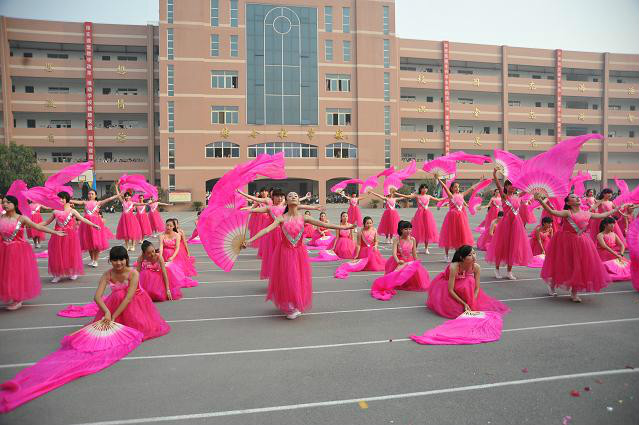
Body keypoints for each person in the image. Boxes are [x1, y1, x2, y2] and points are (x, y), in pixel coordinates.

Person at [243, 192, 354, 319]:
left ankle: (295, 303)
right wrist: (250, 241)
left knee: (298, 277)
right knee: (287, 277)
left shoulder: (304, 218)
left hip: (299, 253)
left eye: (296, 195)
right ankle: (289, 303)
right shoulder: (281, 218)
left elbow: (325, 225)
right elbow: (266, 230)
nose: (294, 197)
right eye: (290, 196)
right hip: (284, 252)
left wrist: (346, 227)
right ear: (287, 201)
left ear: (298, 200)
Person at [537, 193, 627, 301]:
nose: (577, 198)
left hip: (581, 241)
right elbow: (552, 212)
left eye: (577, 196)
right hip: (564, 241)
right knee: (562, 264)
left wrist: (617, 208)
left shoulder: (587, 213)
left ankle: (574, 293)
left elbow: (603, 215)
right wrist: (540, 201)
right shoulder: (567, 212)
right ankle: (552, 285)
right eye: (573, 197)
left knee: (578, 266)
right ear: (568, 203)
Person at [93, 246, 170, 340]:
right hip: (116, 302)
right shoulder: (107, 274)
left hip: (135, 302)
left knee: (138, 328)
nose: (118, 263)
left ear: (126, 259)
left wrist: (114, 316)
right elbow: (97, 297)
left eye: (121, 259)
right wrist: (107, 312)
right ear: (110, 260)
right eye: (115, 260)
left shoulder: (133, 273)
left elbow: (128, 297)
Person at [0, 196, 64, 310]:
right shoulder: (1, 217)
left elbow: (38, 226)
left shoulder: (21, 218)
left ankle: (18, 299)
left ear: (15, 205)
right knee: (5, 274)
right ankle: (10, 294)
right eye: (3, 202)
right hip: (3, 250)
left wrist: (54, 232)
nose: (5, 204)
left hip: (17, 251)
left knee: (16, 274)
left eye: (8, 202)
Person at [426, 245, 511, 318]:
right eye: (470, 255)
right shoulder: (454, 267)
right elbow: (450, 289)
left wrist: (472, 301)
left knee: (470, 281)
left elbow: (477, 287)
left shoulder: (476, 267)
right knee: (456, 308)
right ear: (462, 258)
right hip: (448, 284)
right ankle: (462, 302)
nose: (474, 257)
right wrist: (464, 304)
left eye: (474, 253)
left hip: (462, 283)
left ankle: (467, 301)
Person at [485, 168, 533, 280]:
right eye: (510, 185)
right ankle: (497, 269)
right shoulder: (504, 196)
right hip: (505, 224)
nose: (513, 187)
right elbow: (498, 185)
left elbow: (527, 189)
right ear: (506, 187)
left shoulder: (518, 196)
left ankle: (509, 271)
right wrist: (495, 174)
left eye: (514, 185)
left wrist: (529, 178)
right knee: (501, 246)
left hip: (517, 224)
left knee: (514, 246)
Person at [43, 192, 100, 283]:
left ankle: (73, 272)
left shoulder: (72, 211)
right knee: (58, 254)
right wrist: (34, 225)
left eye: (62, 198)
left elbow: (83, 219)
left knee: (70, 253)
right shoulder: (55, 211)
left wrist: (94, 225)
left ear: (67, 199)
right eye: (59, 198)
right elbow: (46, 222)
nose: (60, 200)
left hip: (70, 236)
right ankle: (58, 274)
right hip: (57, 235)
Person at [371, 221, 430, 299]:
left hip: (409, 260)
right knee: (395, 277)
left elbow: (414, 254)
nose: (408, 231)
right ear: (401, 230)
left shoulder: (413, 239)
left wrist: (417, 262)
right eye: (406, 229)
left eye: (410, 229)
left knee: (416, 275)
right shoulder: (397, 239)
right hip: (398, 260)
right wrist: (398, 261)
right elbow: (394, 253)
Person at [436, 177, 483, 261]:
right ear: (452, 188)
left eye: (458, 187)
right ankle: (446, 256)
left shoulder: (462, 195)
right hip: (452, 218)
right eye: (455, 187)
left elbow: (472, 188)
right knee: (449, 237)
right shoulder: (450, 196)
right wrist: (439, 180)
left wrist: (479, 182)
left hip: (461, 218)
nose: (457, 188)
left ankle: (459, 255)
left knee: (461, 236)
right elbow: (445, 188)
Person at [71, 189, 119, 267]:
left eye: (92, 194)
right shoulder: (85, 202)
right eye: (89, 194)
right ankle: (92, 259)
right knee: (88, 242)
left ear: (95, 195)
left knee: (96, 243)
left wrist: (118, 195)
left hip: (96, 224)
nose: (90, 195)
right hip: (86, 224)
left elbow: (109, 199)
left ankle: (96, 260)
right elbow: (76, 202)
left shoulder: (98, 203)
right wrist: (67, 200)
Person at [395, 184, 443, 254]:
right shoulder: (417, 196)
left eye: (426, 188)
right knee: (417, 231)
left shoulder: (428, 196)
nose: (425, 190)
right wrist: (396, 193)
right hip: (419, 215)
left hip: (427, 215)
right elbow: (408, 196)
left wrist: (447, 197)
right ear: (420, 189)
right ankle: (415, 248)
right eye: (423, 188)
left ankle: (426, 248)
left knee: (427, 231)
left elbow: (438, 199)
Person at [114, 187, 146, 251]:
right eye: (126, 196)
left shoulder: (133, 203)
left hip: (131, 219)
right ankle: (127, 246)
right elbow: (118, 195)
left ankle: (133, 246)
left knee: (132, 232)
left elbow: (141, 203)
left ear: (130, 197)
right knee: (125, 233)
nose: (127, 197)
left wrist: (148, 203)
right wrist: (116, 187)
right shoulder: (123, 202)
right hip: (124, 219)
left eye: (128, 196)